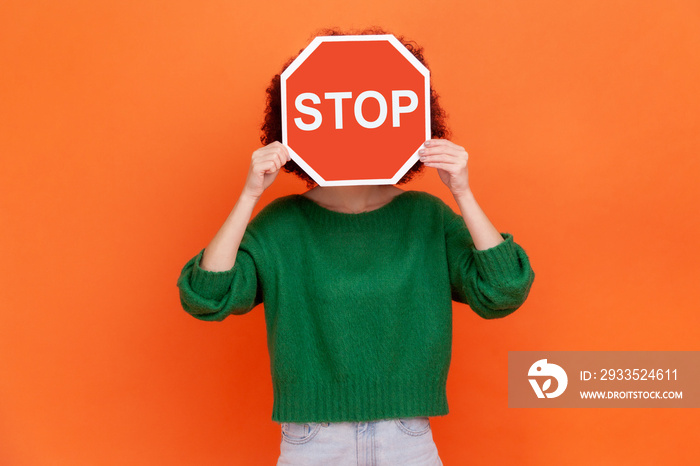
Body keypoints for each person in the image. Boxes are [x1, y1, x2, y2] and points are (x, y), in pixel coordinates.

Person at [176, 27, 535, 466]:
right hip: (311, 441)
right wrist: (249, 194)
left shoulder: (426, 217)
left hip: (408, 435)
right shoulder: (283, 225)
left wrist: (462, 191)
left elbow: (505, 289)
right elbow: (206, 295)